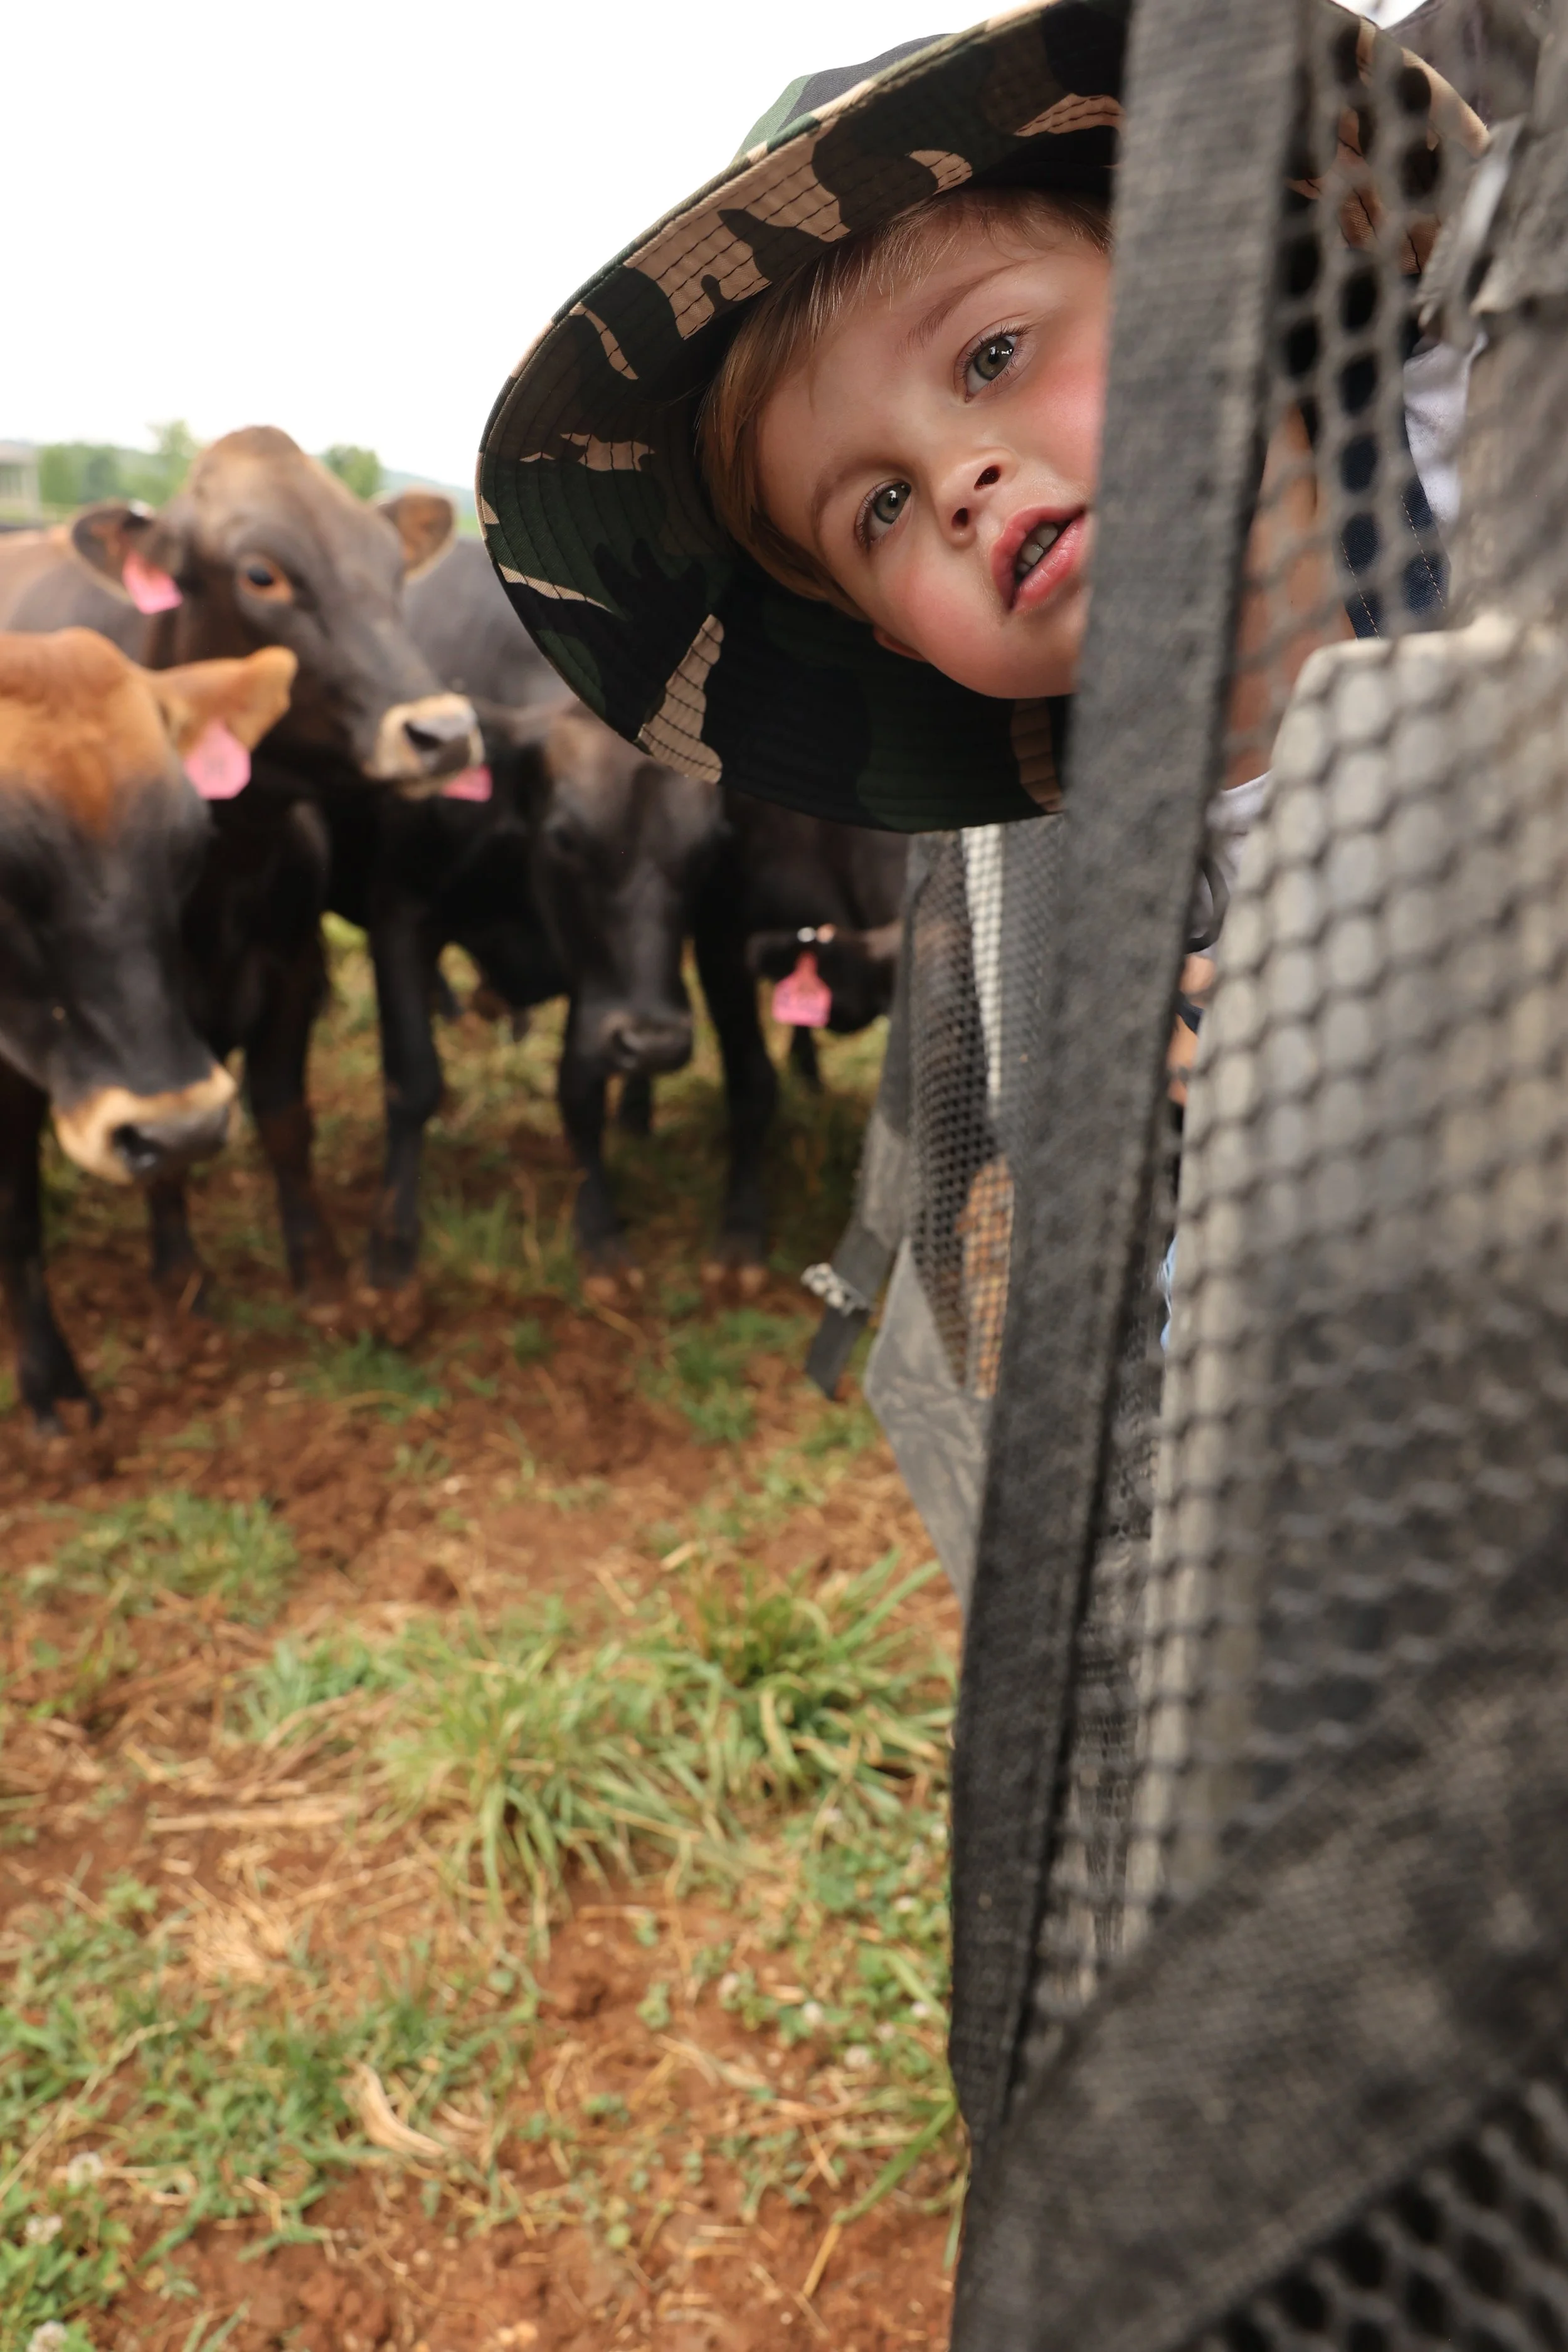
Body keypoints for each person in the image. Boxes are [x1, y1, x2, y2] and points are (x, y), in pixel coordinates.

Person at [476, 0, 1478, 1083]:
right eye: (881, 509)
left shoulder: (1488, 426)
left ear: (1208, 279)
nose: (956, 484)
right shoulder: (1112, 895)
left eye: (993, 355)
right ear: (900, 639)